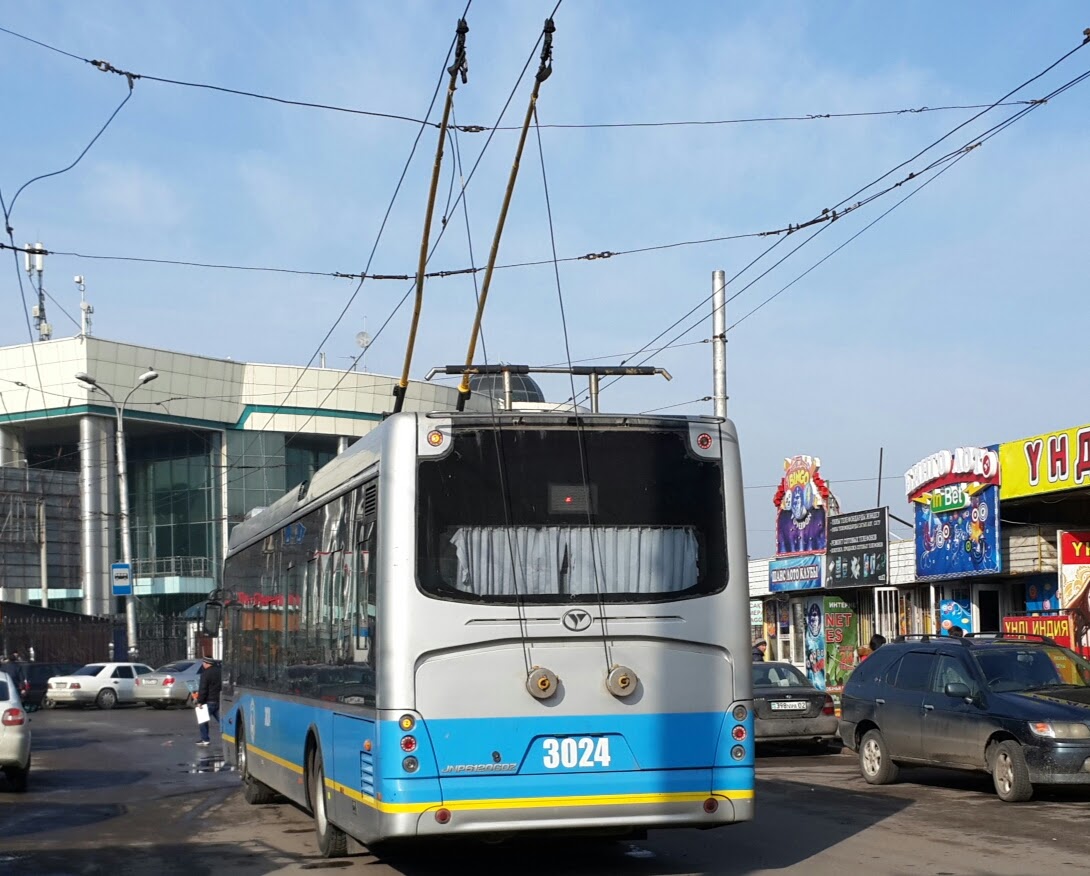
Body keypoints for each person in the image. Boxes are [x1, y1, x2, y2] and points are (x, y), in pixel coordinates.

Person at [195, 656, 222, 746]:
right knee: (222, 721)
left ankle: (205, 739)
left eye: (203, 663)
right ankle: (228, 737)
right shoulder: (220, 671)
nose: (203, 664)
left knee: (203, 721)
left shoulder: (205, 673)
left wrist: (200, 701)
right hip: (219, 700)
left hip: (209, 701)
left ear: (206, 663)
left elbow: (203, 689)